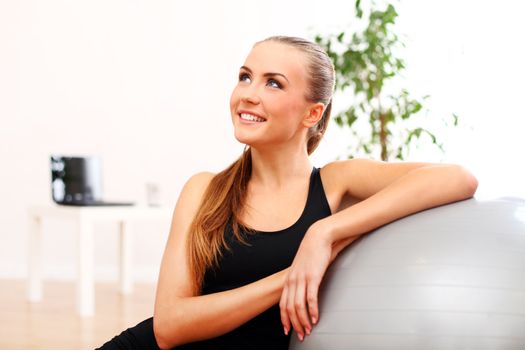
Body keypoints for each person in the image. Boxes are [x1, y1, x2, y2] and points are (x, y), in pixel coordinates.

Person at [98, 36, 478, 350]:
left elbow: (457, 178)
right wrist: (294, 274)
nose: (248, 94)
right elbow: (169, 326)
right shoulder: (204, 189)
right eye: (245, 77)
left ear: (312, 114)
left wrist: (324, 234)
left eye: (273, 82)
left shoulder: (337, 183)